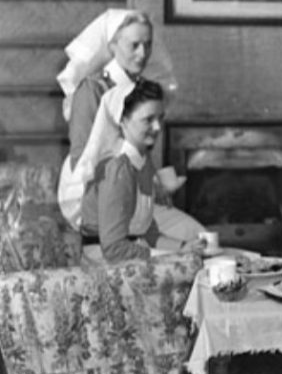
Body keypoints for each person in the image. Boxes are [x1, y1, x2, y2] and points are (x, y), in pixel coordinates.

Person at [56, 9, 201, 245]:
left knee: (196, 236)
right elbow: (82, 159)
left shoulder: (142, 88)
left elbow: (139, 148)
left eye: (147, 45)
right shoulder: (92, 90)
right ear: (112, 46)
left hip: (133, 195)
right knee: (187, 241)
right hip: (96, 200)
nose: (142, 54)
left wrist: (153, 183)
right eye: (134, 45)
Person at [78, 80, 205, 262]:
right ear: (123, 120)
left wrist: (184, 248)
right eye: (148, 119)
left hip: (131, 258)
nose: (158, 127)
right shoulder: (118, 170)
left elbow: (148, 233)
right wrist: (170, 258)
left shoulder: (142, 165)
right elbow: (113, 248)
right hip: (103, 265)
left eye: (160, 118)